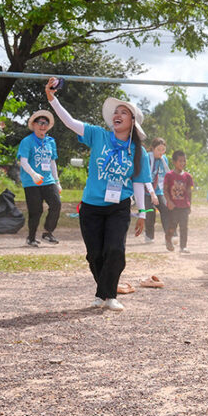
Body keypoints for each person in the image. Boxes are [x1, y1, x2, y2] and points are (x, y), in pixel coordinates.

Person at [46, 78, 150, 311]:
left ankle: (108, 295)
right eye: (116, 112)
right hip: (91, 206)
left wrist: (142, 212)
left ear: (132, 121)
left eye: (123, 112)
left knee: (115, 250)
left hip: (119, 206)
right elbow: (70, 122)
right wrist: (52, 99)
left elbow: (139, 183)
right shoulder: (97, 135)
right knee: (95, 254)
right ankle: (104, 293)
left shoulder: (138, 152)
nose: (117, 114)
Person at [17, 110, 62, 247]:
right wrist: (33, 174)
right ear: (34, 124)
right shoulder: (27, 141)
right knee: (36, 210)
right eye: (40, 123)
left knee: (56, 204)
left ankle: (48, 232)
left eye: (46, 123)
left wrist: (57, 181)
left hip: (48, 180)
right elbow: (23, 161)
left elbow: (52, 162)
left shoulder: (50, 142)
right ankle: (31, 238)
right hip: (31, 182)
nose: (43, 126)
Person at [162, 149, 195, 254]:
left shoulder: (188, 176)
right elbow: (165, 190)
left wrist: (189, 205)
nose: (182, 163)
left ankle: (183, 246)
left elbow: (189, 191)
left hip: (184, 206)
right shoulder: (169, 175)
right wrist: (169, 201)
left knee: (184, 226)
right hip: (174, 206)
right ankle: (168, 239)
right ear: (174, 162)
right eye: (180, 161)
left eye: (184, 161)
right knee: (172, 226)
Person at [144, 137, 169, 245]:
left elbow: (166, 176)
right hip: (145, 191)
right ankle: (149, 236)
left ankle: (169, 235)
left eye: (163, 150)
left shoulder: (164, 159)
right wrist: (151, 194)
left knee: (166, 209)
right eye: (159, 149)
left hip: (158, 191)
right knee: (150, 212)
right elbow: (145, 177)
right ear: (153, 149)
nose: (161, 152)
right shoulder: (147, 158)